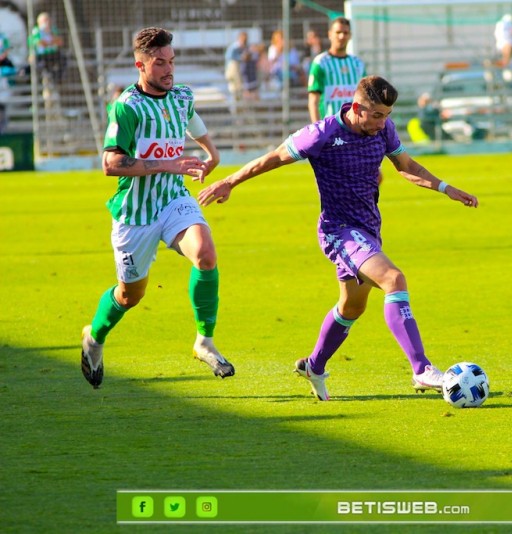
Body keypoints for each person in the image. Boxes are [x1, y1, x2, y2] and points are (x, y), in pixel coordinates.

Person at [197, 75, 479, 401]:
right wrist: (229, 182)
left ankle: (314, 366)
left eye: (386, 115)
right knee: (393, 279)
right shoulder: (322, 134)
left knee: (351, 307)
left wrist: (446, 188)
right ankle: (422, 369)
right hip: (338, 230)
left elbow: (405, 165)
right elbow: (272, 158)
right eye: (375, 115)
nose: (382, 122)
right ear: (357, 107)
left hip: (368, 229)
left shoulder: (383, 129)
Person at [80, 27, 232, 389]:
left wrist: (212, 154)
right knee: (130, 296)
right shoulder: (127, 107)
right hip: (135, 213)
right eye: (160, 63)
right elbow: (110, 164)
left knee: (206, 254)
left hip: (172, 199)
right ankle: (94, 338)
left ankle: (204, 341)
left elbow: (191, 120)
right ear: (141, 65)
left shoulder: (180, 96)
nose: (169, 70)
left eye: (171, 62)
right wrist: (168, 163)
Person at [307, 17, 366, 123]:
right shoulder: (320, 62)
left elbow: (365, 98)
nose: (342, 36)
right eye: (338, 32)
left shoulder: (358, 64)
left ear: (350, 35)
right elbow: (313, 101)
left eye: (345, 32)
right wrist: (318, 129)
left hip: (353, 127)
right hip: (329, 126)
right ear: (330, 34)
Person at [28, 12, 65, 89]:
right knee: (40, 66)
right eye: (44, 20)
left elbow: (60, 41)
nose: (47, 22)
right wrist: (51, 42)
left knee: (63, 59)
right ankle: (46, 81)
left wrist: (50, 39)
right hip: (42, 56)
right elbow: (39, 43)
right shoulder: (36, 31)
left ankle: (57, 79)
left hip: (52, 54)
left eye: (48, 20)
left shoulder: (53, 30)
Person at [224, 31, 249, 103]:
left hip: (235, 71)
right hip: (232, 71)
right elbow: (229, 57)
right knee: (235, 90)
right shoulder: (235, 47)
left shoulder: (240, 47)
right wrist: (241, 57)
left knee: (237, 90)